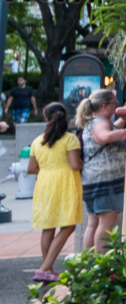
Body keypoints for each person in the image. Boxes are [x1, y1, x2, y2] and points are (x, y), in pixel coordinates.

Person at [28, 103, 81, 282]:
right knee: (68, 225)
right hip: (65, 183)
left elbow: (31, 168)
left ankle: (48, 268)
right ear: (64, 117)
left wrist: (48, 170)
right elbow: (75, 165)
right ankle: (44, 268)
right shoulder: (69, 139)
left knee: (48, 226)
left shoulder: (37, 141)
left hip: (44, 183)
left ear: (45, 118)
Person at [79, 91, 126, 252]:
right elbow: (104, 136)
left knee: (92, 223)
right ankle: (102, 263)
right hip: (106, 181)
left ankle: (89, 263)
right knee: (106, 223)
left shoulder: (92, 122)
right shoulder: (101, 123)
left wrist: (125, 120)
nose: (117, 105)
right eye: (114, 103)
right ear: (105, 106)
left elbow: (111, 128)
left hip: (91, 179)